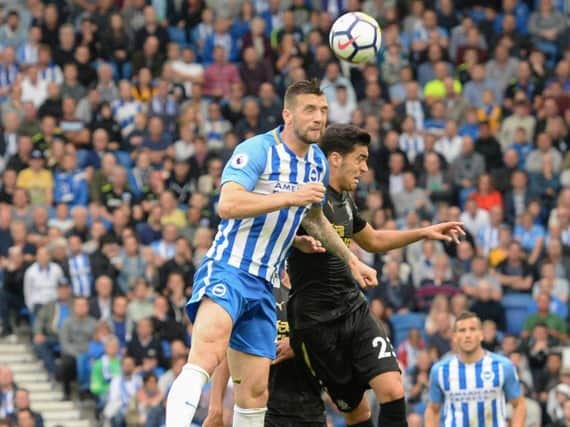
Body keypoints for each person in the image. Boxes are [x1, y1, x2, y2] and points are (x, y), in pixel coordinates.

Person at [166, 80, 377, 427]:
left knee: (254, 394)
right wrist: (290, 197)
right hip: (229, 269)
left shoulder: (317, 165)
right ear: (288, 114)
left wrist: (351, 260)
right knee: (207, 354)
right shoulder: (258, 149)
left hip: (266, 284)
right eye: (310, 109)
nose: (319, 118)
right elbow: (228, 204)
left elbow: (315, 219)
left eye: (323, 111)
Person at [286, 124, 465, 427]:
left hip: (353, 308)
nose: (365, 168)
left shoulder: (343, 199)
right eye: (360, 159)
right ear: (335, 158)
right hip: (316, 321)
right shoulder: (307, 198)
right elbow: (271, 234)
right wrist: (296, 241)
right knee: (357, 413)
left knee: (393, 389)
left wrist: (425, 232)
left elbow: (373, 240)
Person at [203, 270, 326, 427]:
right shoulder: (259, 291)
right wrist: (215, 409)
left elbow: (334, 345)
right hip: (261, 411)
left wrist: (298, 344)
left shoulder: (317, 294)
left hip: (309, 408)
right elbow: (230, 351)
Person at [425, 311, 526, 427]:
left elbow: (519, 404)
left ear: (481, 335)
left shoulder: (503, 366)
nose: (468, 335)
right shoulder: (440, 370)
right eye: (462, 330)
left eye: (472, 329)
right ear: (454, 337)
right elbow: (432, 410)